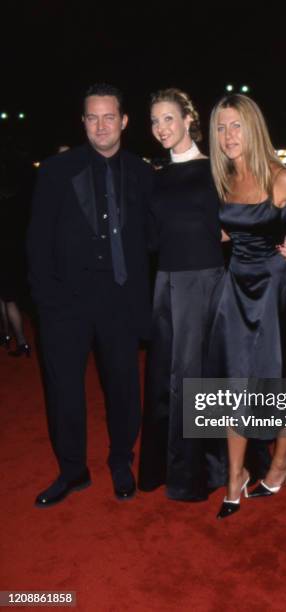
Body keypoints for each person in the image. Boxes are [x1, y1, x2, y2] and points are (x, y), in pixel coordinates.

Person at [27, 83, 153, 507]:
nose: (101, 126)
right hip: (66, 303)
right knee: (64, 389)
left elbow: (157, 236)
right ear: (83, 122)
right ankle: (72, 470)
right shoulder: (55, 171)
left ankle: (121, 461)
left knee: (122, 388)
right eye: (92, 118)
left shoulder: (141, 172)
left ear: (124, 121)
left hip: (120, 301)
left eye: (109, 117)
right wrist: (46, 301)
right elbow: (37, 241)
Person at [208, 94, 286, 519]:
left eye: (236, 126)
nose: (228, 136)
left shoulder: (284, 179)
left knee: (279, 380)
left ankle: (280, 464)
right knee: (233, 383)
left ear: (253, 127)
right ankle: (235, 476)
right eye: (222, 128)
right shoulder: (222, 181)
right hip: (236, 289)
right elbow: (225, 235)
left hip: (275, 291)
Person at [137, 88, 228, 501]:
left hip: (205, 283)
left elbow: (246, 213)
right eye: (155, 121)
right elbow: (152, 238)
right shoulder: (155, 178)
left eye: (169, 118)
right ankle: (162, 467)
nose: (161, 128)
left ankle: (197, 472)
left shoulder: (216, 169)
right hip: (166, 285)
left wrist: (280, 242)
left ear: (189, 119)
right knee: (162, 378)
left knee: (195, 377)